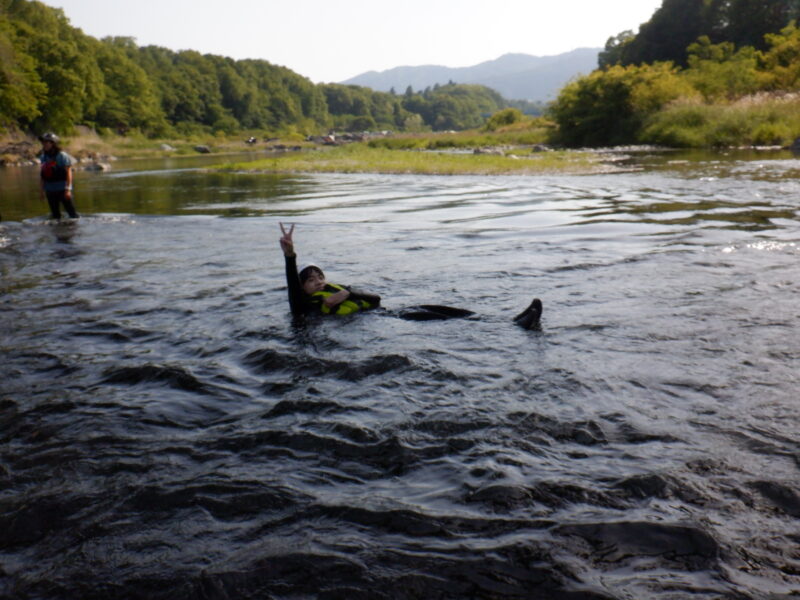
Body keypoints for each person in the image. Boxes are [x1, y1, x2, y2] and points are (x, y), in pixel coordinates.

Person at [279, 223, 543, 328]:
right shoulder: (305, 307)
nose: (319, 281)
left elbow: (376, 298)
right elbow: (292, 286)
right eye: (311, 280)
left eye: (320, 276)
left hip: (390, 313)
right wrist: (291, 255)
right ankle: (511, 326)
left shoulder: (340, 290)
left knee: (441, 309)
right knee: (434, 318)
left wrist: (348, 293)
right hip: (392, 324)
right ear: (304, 290)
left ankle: (507, 320)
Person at [39, 132, 79, 220]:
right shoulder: (43, 157)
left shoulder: (61, 155)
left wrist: (68, 189)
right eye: (43, 142)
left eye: (46, 142)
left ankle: (73, 232)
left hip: (62, 189)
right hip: (50, 190)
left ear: (53, 143)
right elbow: (42, 174)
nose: (44, 144)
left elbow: (69, 172)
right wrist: (41, 191)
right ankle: (58, 232)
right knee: (55, 216)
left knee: (73, 215)